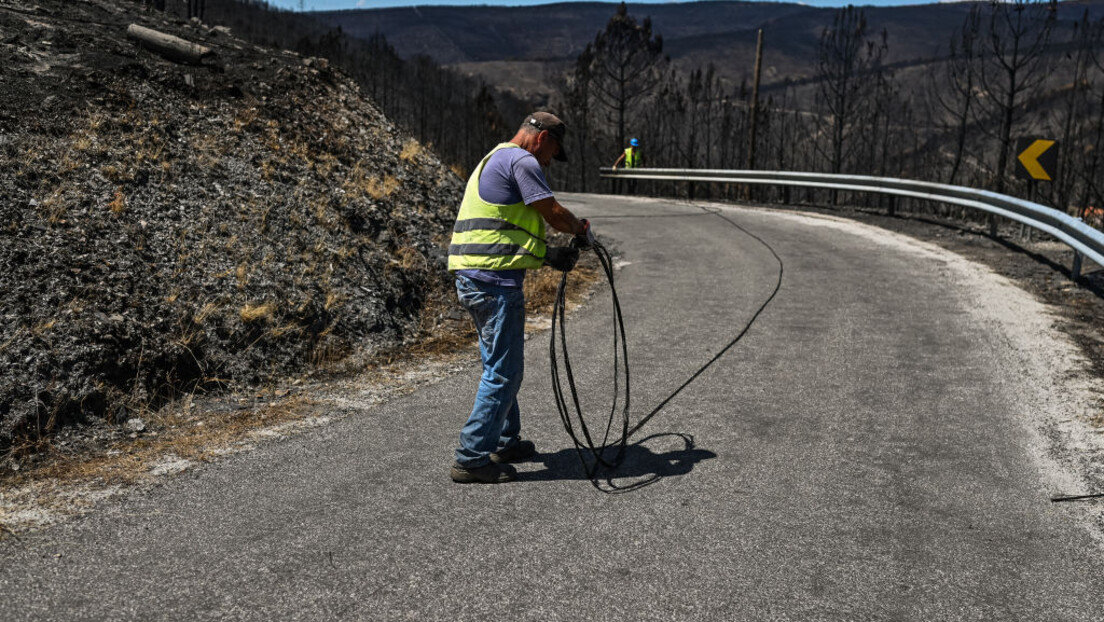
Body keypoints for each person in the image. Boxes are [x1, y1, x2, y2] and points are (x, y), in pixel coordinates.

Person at [447, 111, 595, 484]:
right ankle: (471, 455)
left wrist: (549, 256)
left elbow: (504, 230)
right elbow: (552, 212)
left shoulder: (494, 157)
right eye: (552, 153)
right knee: (505, 371)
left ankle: (505, 440)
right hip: (494, 283)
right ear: (543, 138)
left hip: (474, 276)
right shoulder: (523, 160)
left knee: (498, 363)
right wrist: (580, 232)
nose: (548, 163)